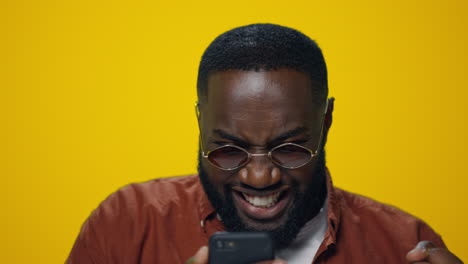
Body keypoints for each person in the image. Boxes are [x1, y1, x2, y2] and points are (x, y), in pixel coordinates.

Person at [67, 23, 463, 264]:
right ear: (200, 122)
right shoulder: (125, 225)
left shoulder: (404, 244)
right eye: (229, 149)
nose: (259, 177)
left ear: (325, 121)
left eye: (290, 148)